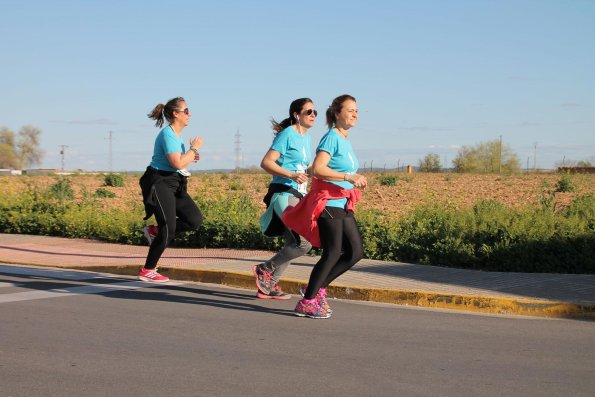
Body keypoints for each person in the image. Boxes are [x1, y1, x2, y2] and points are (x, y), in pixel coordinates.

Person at [282, 94, 367, 318]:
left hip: (342, 201)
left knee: (355, 252)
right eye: (350, 110)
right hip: (327, 202)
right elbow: (318, 169)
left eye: (357, 110)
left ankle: (315, 289)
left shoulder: (344, 139)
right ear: (337, 114)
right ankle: (307, 301)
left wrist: (353, 179)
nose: (355, 114)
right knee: (331, 254)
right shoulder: (331, 137)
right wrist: (348, 177)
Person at [253, 98, 315, 299]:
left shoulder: (305, 137)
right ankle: (265, 269)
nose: (313, 115)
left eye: (315, 111)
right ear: (297, 115)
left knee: (292, 242)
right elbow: (266, 162)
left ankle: (269, 284)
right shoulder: (287, 135)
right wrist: (290, 175)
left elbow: (306, 167)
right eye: (309, 111)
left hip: (298, 194)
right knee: (303, 243)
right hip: (283, 193)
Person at [138, 97, 204, 282]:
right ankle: (148, 269)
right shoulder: (167, 134)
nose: (189, 114)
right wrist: (193, 149)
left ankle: (155, 232)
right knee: (169, 228)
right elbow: (176, 162)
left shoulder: (176, 135)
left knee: (194, 220)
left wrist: (191, 154)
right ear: (176, 114)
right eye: (186, 110)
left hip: (175, 183)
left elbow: (180, 161)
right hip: (160, 182)